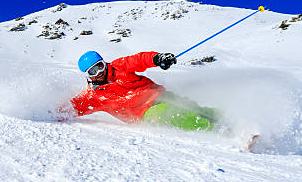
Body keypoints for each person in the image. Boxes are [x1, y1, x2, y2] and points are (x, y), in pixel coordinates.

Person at [63, 51, 219, 130]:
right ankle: (218, 130)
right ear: (87, 76)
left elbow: (139, 59)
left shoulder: (119, 66)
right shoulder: (93, 97)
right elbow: (71, 108)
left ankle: (225, 119)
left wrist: (158, 59)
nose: (99, 73)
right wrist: (46, 111)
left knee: (190, 107)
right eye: (93, 71)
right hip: (144, 114)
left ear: (104, 63)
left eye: (100, 66)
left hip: (158, 95)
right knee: (170, 114)